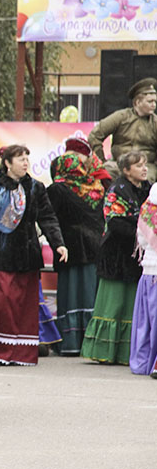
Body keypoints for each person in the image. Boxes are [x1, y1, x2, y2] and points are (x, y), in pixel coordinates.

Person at [0, 145, 67, 366]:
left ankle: (20, 354)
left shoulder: (36, 188)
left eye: (26, 159)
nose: (25, 163)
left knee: (24, 304)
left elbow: (48, 218)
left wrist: (58, 244)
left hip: (27, 253)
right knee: (0, 301)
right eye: (20, 159)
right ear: (7, 163)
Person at [82, 151, 152, 364]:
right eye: (138, 165)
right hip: (116, 253)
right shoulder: (116, 189)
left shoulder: (149, 190)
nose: (144, 169)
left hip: (137, 256)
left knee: (132, 303)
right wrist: (143, 232)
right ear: (126, 170)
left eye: (145, 164)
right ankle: (104, 351)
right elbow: (114, 222)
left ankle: (126, 353)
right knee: (114, 302)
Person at [46, 136, 111, 355]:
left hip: (70, 248)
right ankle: (89, 342)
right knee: (89, 294)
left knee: (71, 294)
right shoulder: (97, 187)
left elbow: (49, 218)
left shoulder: (57, 189)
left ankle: (70, 342)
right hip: (94, 248)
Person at [88, 78, 157, 181]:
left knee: (147, 181)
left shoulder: (155, 122)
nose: (154, 105)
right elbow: (95, 135)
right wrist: (101, 161)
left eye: (155, 101)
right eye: (150, 101)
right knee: (104, 175)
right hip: (118, 165)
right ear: (137, 102)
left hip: (146, 166)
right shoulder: (121, 117)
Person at [130, 184, 157, 376]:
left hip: (149, 269)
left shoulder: (148, 208)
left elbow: (142, 238)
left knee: (147, 321)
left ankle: (143, 362)